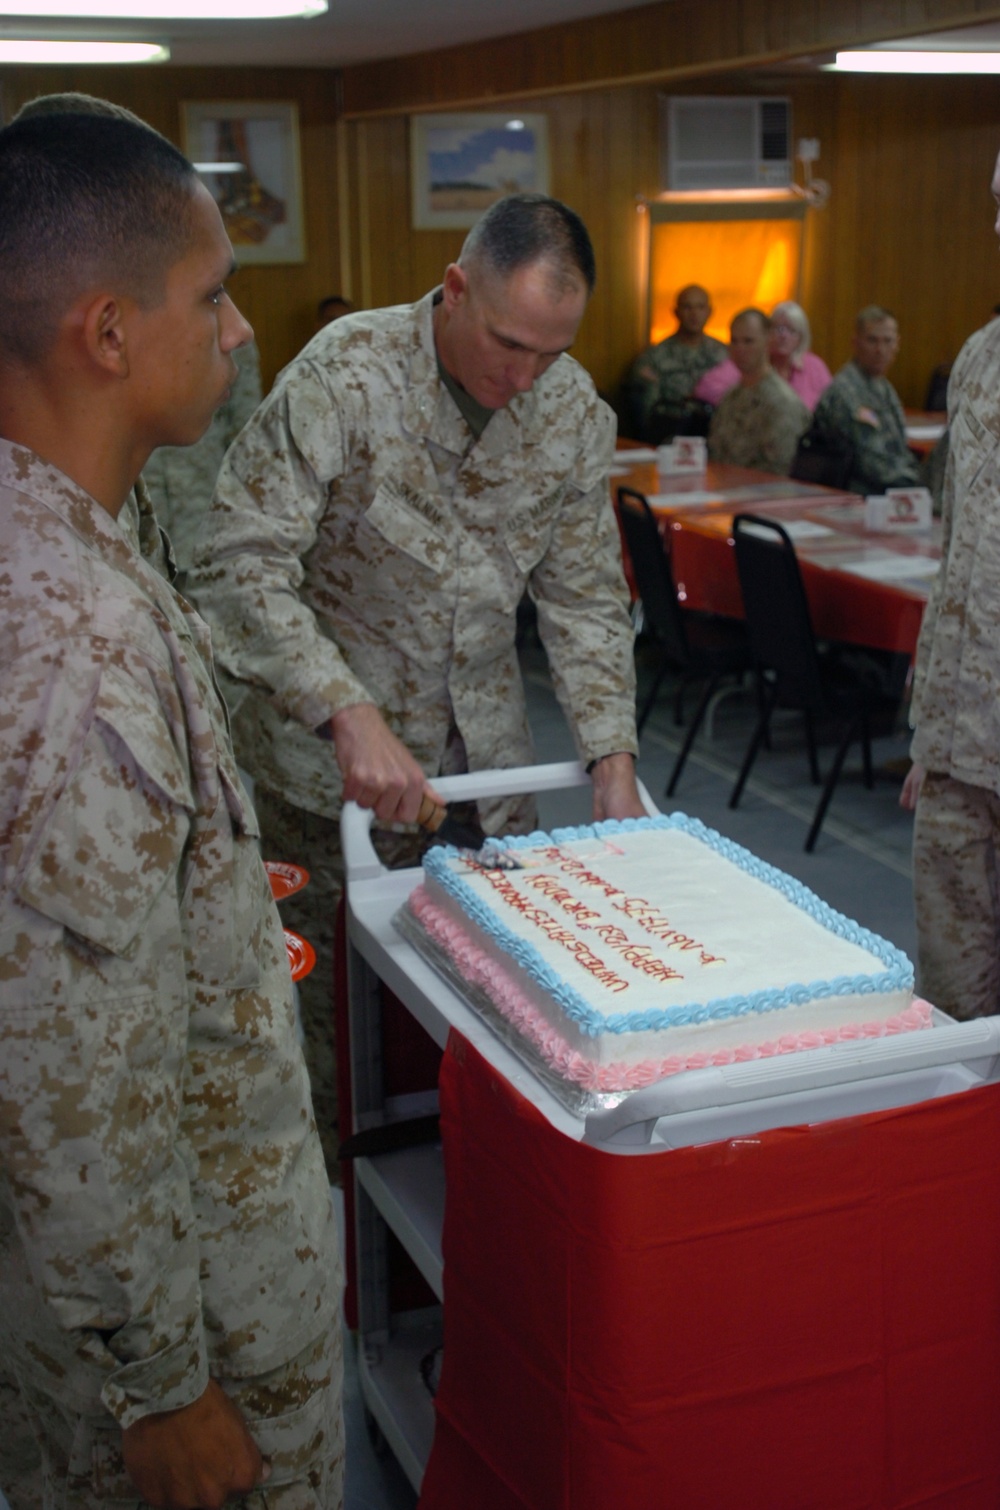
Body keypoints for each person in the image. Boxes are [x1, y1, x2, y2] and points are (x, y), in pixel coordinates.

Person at [0, 109, 342, 1510]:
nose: (242, 330)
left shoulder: (73, 536)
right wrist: (165, 1385)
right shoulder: (74, 641)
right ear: (106, 332)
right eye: (210, 295)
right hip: (187, 1325)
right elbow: (64, 1059)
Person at [188, 192, 644, 1168]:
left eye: (548, 353)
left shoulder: (568, 416)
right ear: (454, 288)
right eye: (507, 342)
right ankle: (337, 1266)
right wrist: (342, 709)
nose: (521, 377)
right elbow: (239, 559)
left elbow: (584, 599)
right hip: (321, 788)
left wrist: (611, 758)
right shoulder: (348, 374)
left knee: (487, 1048)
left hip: (482, 799)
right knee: (317, 1055)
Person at [900, 153, 1000, 1021]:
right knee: (952, 1014)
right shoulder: (979, 361)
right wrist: (931, 729)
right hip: (962, 756)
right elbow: (956, 557)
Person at [142, 338, 263, 579]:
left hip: (207, 512)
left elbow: (246, 437)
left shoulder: (229, 334)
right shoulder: (138, 323)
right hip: (145, 513)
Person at [810, 306, 921, 497]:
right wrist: (921, 484)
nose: (880, 350)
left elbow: (898, 449)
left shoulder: (882, 386)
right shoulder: (845, 391)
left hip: (888, 490)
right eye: (872, 341)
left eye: (888, 341)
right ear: (856, 343)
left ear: (897, 345)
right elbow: (872, 464)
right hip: (858, 496)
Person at [707, 307, 810, 475]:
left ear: (768, 341)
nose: (739, 349)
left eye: (748, 341)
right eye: (734, 341)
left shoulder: (782, 402)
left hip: (758, 493)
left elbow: (778, 472)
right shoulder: (731, 396)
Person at [624, 283, 728, 442]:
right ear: (676, 312)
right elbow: (645, 414)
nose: (694, 314)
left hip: (717, 435)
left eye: (700, 307)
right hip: (672, 436)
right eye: (687, 307)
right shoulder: (655, 356)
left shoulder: (725, 354)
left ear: (709, 312)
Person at [694, 298, 832, 412]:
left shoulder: (814, 366)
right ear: (767, 334)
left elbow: (829, 408)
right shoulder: (749, 359)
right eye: (779, 328)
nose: (783, 336)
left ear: (801, 337)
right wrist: (750, 402)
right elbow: (706, 388)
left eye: (791, 330)